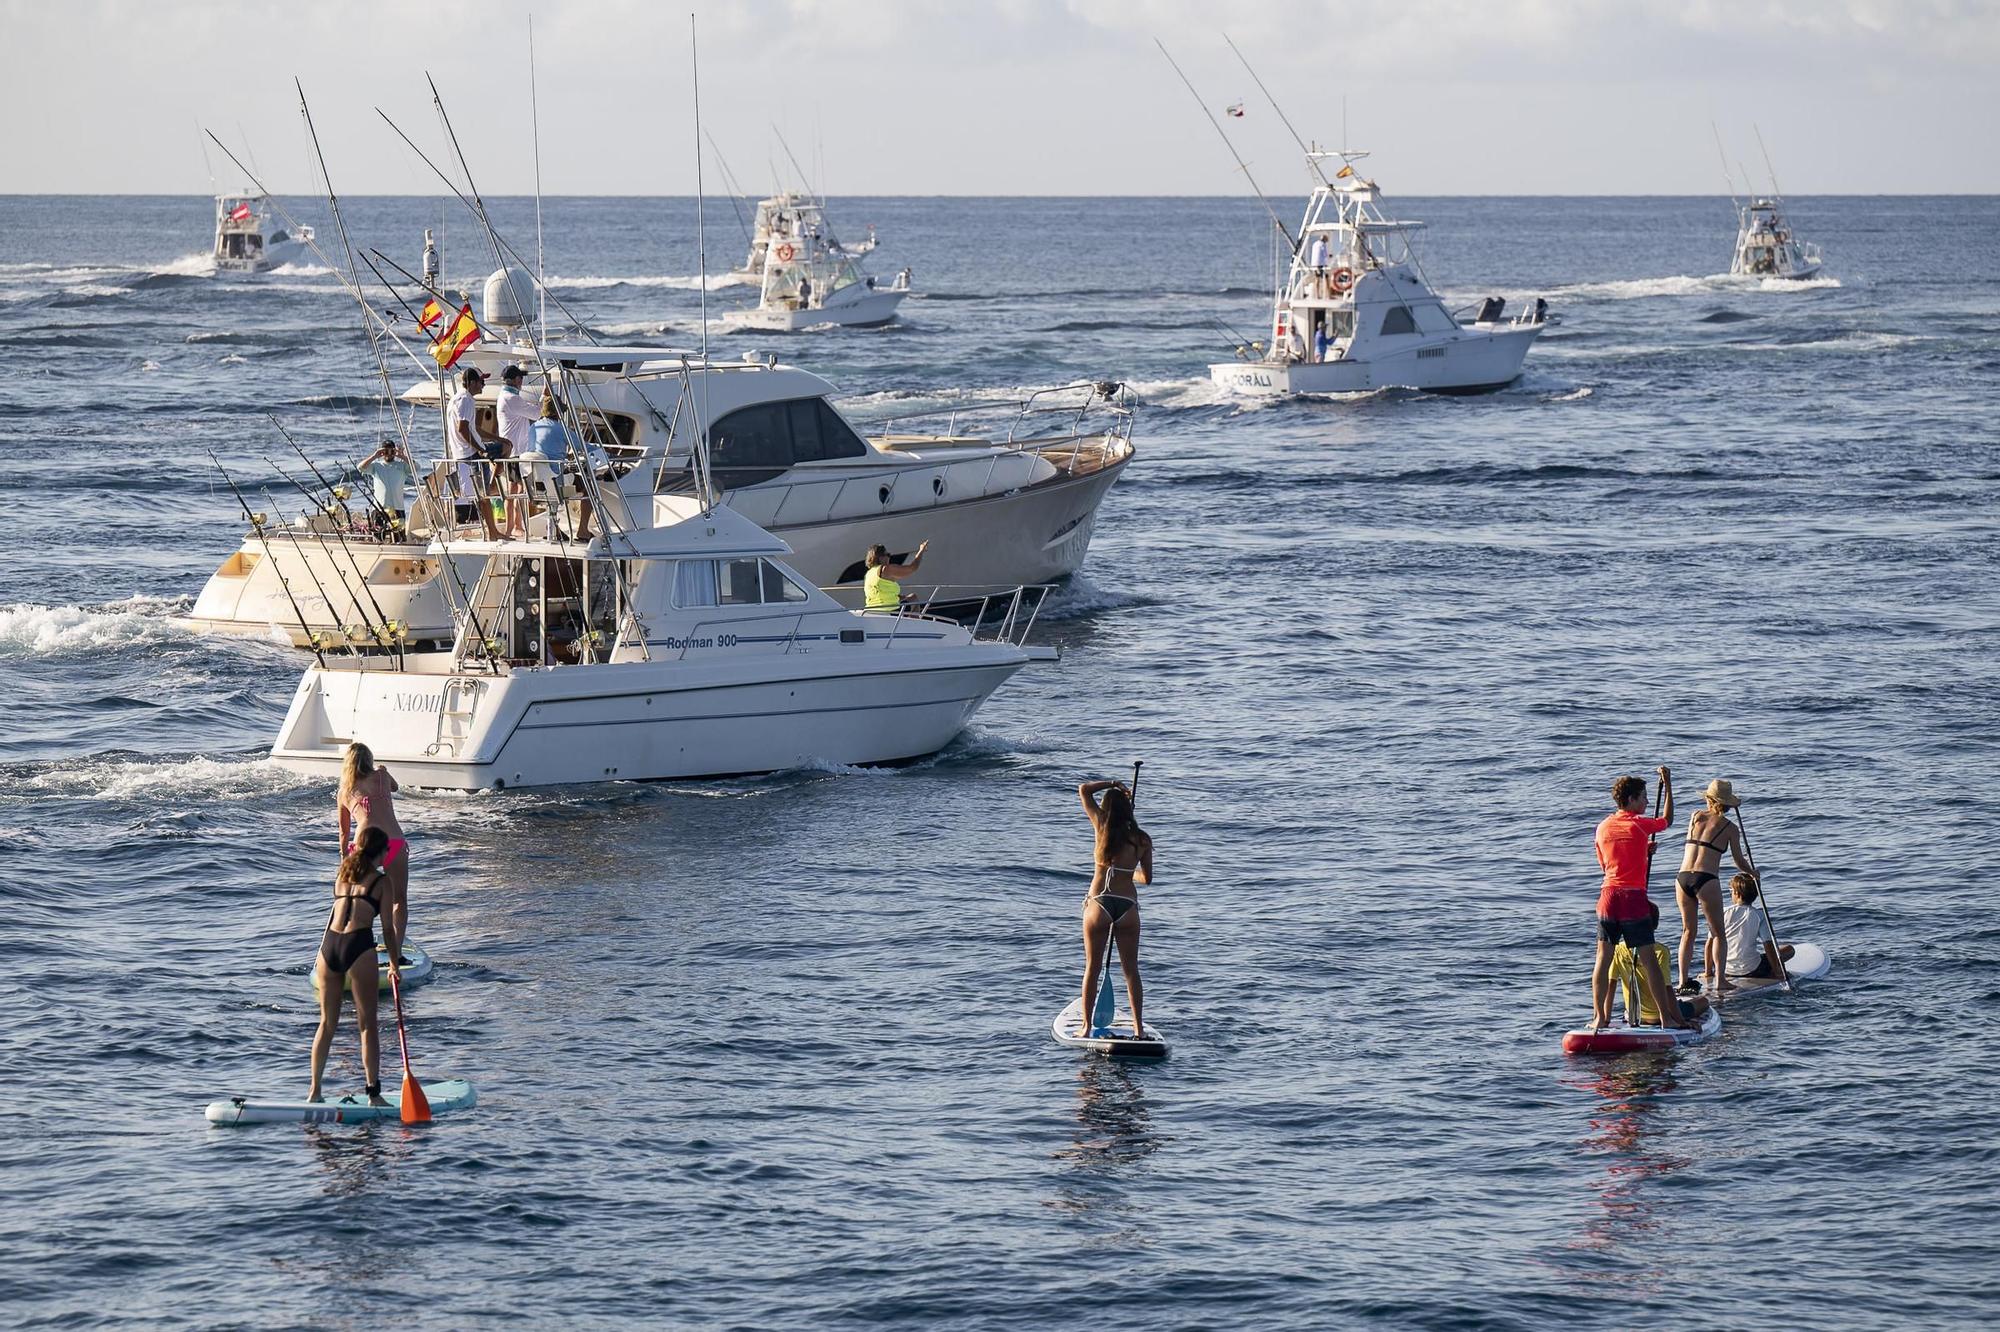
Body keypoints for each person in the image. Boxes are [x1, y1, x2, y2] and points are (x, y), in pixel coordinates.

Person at [309, 826, 406, 1105]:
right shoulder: (381, 882)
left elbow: (332, 916)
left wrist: (319, 955)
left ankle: (314, 1092)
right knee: (368, 1025)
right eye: (387, 850)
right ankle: (373, 1095)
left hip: (329, 947)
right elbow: (388, 928)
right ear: (381, 852)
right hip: (358, 945)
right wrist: (394, 964)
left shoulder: (343, 874)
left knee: (327, 1023)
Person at [1591, 768, 1688, 1031]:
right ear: (1631, 800)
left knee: (1603, 958)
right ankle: (1666, 1018)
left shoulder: (1602, 827)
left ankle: (1600, 1017)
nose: (1646, 802)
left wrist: (1641, 851)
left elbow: (1608, 866)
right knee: (1649, 960)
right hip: (1632, 899)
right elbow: (1667, 819)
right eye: (1643, 797)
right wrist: (1668, 785)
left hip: (1608, 898)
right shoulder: (1638, 824)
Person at [1078, 778, 1154, 1039]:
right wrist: (1127, 873)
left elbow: (1084, 790)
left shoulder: (1101, 827)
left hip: (1099, 903)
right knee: (1131, 970)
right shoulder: (1142, 840)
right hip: (1128, 908)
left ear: (1106, 809)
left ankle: (1086, 1026)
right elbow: (1147, 878)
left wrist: (1113, 783)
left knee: (1092, 967)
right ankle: (1139, 1029)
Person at [1675, 777, 1757, 995]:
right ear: (1728, 804)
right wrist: (1752, 873)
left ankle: (1683, 980)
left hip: (1682, 878)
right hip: (1706, 878)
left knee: (1688, 931)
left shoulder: (1695, 816)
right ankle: (1720, 980)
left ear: (1709, 799)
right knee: (1718, 933)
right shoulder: (1731, 828)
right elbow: (1739, 861)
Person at [337, 742, 408, 957]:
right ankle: (395, 950)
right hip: (395, 842)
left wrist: (344, 859)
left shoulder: (344, 792)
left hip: (366, 844)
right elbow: (395, 787)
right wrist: (384, 770)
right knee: (399, 900)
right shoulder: (382, 777)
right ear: (369, 760)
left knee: (358, 898)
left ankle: (356, 945)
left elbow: (343, 832)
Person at [1610, 903, 1714, 1029]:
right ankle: (1669, 1017)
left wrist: (1605, 1018)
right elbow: (1667, 989)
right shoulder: (1659, 951)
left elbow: (1611, 985)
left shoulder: (1618, 949)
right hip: (1660, 1016)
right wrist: (1680, 1021)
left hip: (1633, 1015)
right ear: (1655, 925)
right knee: (1703, 1001)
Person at [446, 366, 504, 540]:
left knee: (483, 497)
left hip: (464, 453)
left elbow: (473, 428)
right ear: (472, 383)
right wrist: (481, 450)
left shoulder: (457, 399)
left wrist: (496, 437)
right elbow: (462, 429)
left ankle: (492, 531)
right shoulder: (466, 400)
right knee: (506, 449)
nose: (484, 385)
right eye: (481, 381)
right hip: (472, 454)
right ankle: (494, 484)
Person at [1723, 873, 1796, 981]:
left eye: (1731, 891)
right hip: (1753, 970)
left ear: (1737, 893)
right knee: (1789, 949)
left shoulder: (1722, 913)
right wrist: (1777, 971)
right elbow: (1768, 945)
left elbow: (1710, 943)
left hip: (1725, 970)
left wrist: (1708, 972)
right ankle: (1770, 972)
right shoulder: (1760, 915)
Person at [494, 364, 538, 537]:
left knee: (514, 491)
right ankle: (515, 527)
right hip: (516, 452)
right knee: (518, 491)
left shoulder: (506, 396)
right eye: (520, 378)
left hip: (513, 451)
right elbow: (536, 413)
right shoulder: (512, 398)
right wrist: (545, 397)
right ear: (513, 380)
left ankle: (513, 526)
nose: (522, 381)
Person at [357, 440, 413, 528]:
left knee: (399, 537)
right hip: (379, 508)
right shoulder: (376, 466)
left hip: (397, 508)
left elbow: (416, 467)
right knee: (378, 536)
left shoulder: (402, 466)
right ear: (382, 452)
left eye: (391, 451)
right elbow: (360, 467)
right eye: (386, 451)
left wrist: (402, 456)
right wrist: (374, 456)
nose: (389, 453)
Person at [862, 540, 927, 611]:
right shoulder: (885, 569)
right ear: (880, 557)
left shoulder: (869, 573)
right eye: (888, 555)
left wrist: (901, 597)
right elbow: (912, 568)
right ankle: (913, 622)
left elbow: (882, 592)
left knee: (909, 597)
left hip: (872, 609)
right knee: (914, 598)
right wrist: (921, 551)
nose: (889, 557)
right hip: (889, 609)